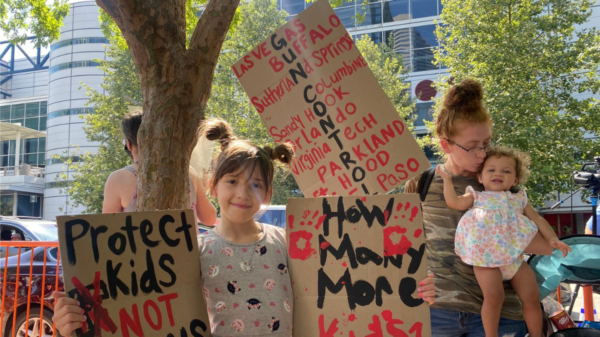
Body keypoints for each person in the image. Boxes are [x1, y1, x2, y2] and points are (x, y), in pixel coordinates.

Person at [405, 78, 554, 337]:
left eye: (486, 143)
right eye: (473, 146)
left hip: (503, 314)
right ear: (446, 145)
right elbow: (402, 246)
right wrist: (413, 281)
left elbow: (539, 239)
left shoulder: (502, 184)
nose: (483, 154)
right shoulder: (421, 184)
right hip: (438, 311)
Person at [437, 146, 571, 337]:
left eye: (506, 171)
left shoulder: (519, 199)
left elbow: (538, 219)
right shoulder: (477, 196)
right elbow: (454, 203)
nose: (498, 173)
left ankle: (536, 335)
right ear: (480, 177)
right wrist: (447, 180)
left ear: (515, 179)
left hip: (514, 260)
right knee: (494, 297)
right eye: (491, 170)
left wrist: (553, 238)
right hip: (485, 260)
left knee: (532, 298)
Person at [101, 111, 217, 227]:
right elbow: (210, 219)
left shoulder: (118, 179)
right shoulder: (188, 172)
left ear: (129, 144)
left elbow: (107, 227)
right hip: (187, 245)